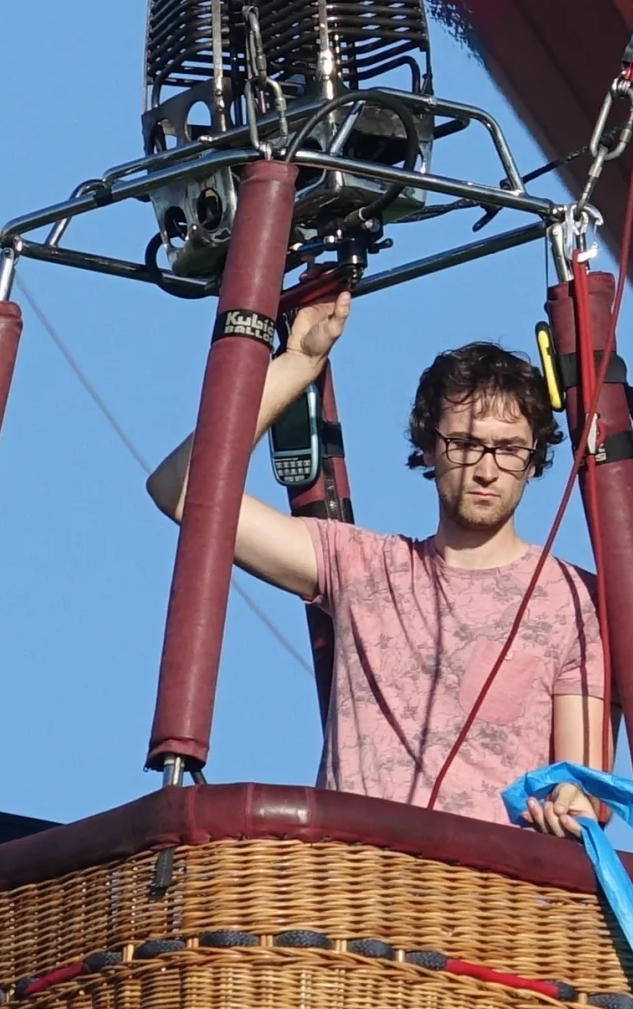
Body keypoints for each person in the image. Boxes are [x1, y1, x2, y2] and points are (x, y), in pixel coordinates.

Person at [143, 288, 607, 836]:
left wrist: (574, 806)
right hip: (356, 893)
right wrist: (297, 365)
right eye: (464, 442)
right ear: (429, 448)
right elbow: (184, 488)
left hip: (484, 902)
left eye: (508, 448)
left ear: (533, 461)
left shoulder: (573, 598)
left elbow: (585, 785)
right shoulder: (364, 566)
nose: (486, 469)